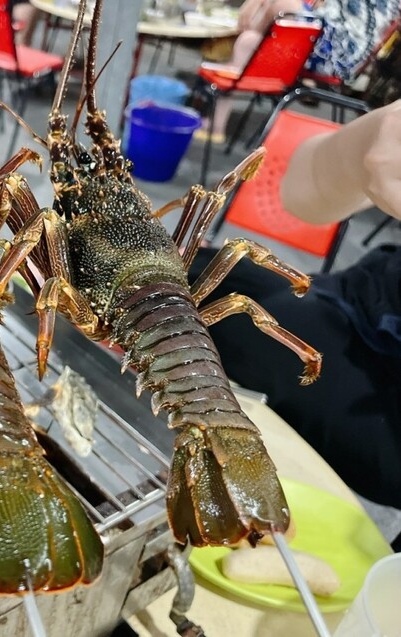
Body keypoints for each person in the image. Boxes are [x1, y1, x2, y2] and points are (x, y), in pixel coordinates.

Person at [188, 100, 401, 520]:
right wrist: (366, 150)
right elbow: (299, 193)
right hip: (360, 297)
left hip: (385, 408)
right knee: (178, 265)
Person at [195, 0, 401, 142]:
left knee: (279, 10)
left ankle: (235, 58)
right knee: (249, 41)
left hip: (339, 54)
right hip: (333, 43)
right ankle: (217, 120)